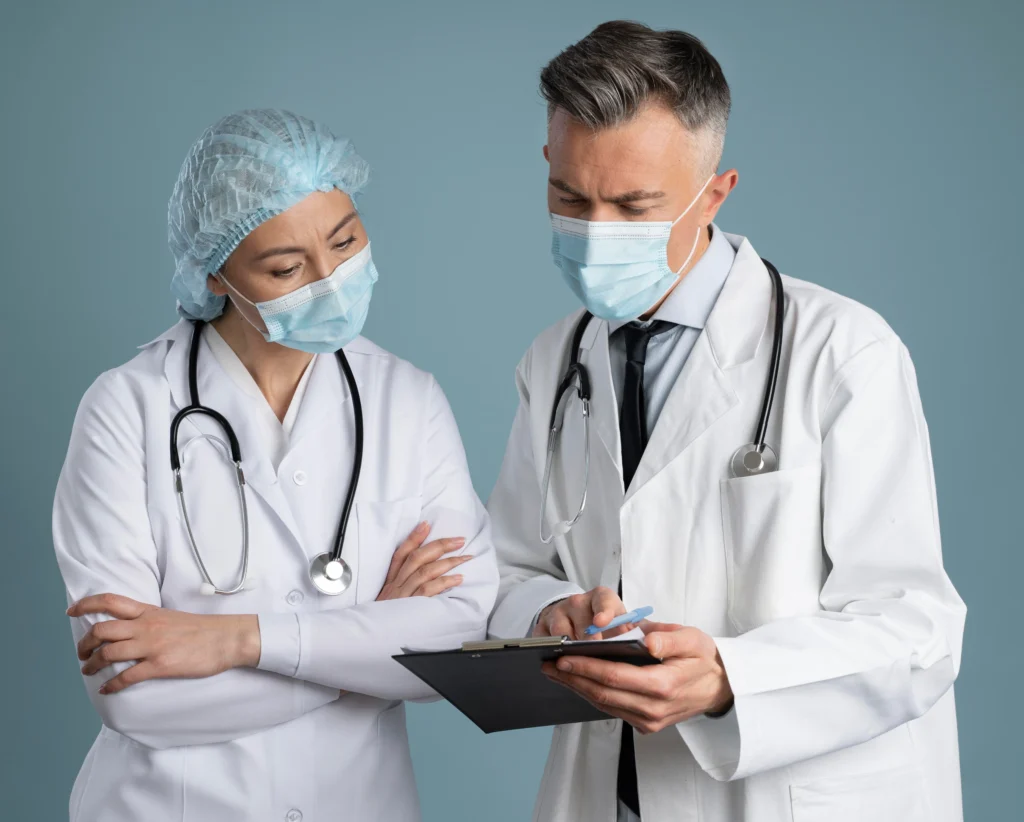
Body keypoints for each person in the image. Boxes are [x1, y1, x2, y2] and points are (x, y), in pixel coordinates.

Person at [487, 21, 965, 822]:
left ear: (714, 193)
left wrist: (728, 680)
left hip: (793, 796)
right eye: (570, 198)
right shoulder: (554, 361)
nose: (597, 232)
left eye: (635, 206)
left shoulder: (843, 351)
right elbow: (510, 567)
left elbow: (917, 629)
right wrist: (550, 611)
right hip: (612, 788)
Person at [53, 108, 498, 822]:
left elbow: (456, 641)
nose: (331, 278)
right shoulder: (126, 409)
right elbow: (133, 694)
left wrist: (236, 640)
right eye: (286, 267)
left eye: (345, 240)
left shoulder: (407, 400)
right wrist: (367, 646)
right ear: (216, 275)